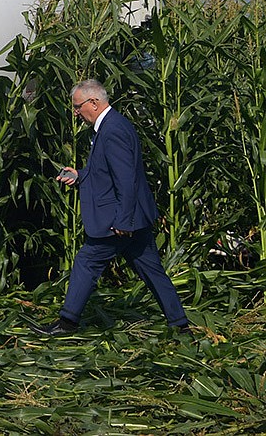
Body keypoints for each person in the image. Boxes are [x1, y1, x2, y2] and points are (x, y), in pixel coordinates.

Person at [33, 79, 190, 335]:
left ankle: (67, 323)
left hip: (119, 220)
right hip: (133, 218)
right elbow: (108, 171)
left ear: (93, 103)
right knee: (152, 271)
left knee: (86, 261)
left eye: (77, 106)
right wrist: (81, 175)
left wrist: (122, 222)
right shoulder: (111, 125)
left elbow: (126, 180)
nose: (75, 112)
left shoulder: (112, 130)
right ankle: (180, 325)